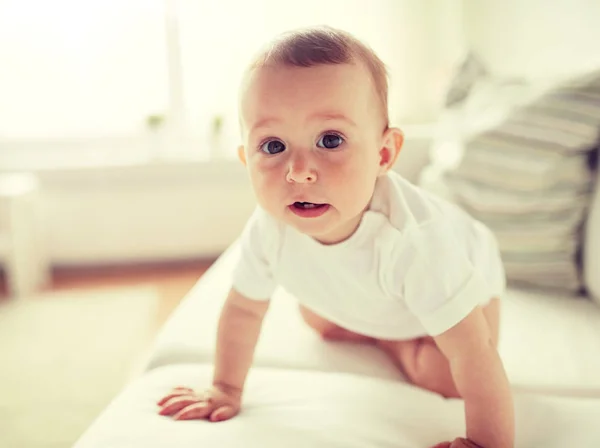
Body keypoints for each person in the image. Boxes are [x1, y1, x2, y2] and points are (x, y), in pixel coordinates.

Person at [157, 26, 514, 448]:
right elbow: (243, 311)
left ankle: (394, 345)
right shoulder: (269, 226)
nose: (299, 171)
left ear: (383, 155)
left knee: (445, 374)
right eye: (272, 146)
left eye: (330, 140)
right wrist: (226, 388)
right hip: (388, 296)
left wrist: (488, 443)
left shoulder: (412, 243)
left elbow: (474, 354)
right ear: (245, 159)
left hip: (472, 279)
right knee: (315, 317)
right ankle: (383, 330)